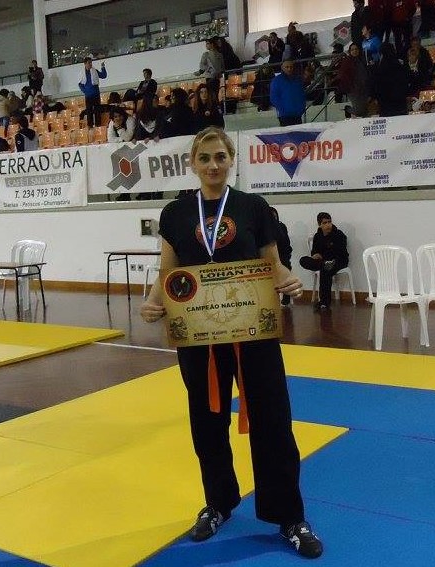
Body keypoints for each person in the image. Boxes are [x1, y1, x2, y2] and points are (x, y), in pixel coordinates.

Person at [140, 127, 323, 560]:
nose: (213, 165)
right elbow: (168, 270)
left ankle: (289, 516)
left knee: (273, 420)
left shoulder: (253, 207)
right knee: (207, 423)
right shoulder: (175, 213)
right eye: (204, 158)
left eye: (220, 157)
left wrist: (289, 281)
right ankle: (218, 503)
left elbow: (272, 264)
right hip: (199, 338)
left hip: (254, 333)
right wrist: (153, 301)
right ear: (193, 163)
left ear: (231, 160)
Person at [299, 212, 349, 311]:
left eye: (329, 222)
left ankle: (324, 303)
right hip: (323, 261)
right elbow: (314, 252)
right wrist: (315, 255)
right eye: (325, 223)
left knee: (325, 270)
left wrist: (326, 257)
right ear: (320, 224)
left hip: (338, 261)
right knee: (303, 260)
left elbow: (340, 252)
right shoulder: (318, 236)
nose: (328, 225)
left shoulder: (339, 234)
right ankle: (324, 264)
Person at [336, 43, 369, 118]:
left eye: (356, 49)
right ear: (350, 51)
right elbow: (343, 75)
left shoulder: (362, 60)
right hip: (352, 89)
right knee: (359, 110)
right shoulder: (347, 61)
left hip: (363, 88)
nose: (354, 51)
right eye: (352, 50)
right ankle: (348, 109)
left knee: (364, 109)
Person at [269, 59, 306, 126]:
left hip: (297, 115)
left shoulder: (298, 80)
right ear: (282, 67)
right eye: (287, 67)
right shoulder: (276, 81)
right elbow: (274, 98)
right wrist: (283, 109)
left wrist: (301, 109)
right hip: (285, 116)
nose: (289, 69)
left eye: (291, 67)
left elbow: (302, 95)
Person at [270, 207, 293, 306]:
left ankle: (286, 299)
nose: (273, 219)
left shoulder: (281, 227)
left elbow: (286, 244)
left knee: (286, 267)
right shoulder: (262, 228)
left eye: (275, 217)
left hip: (282, 255)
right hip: (268, 257)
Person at [78, 57, 107, 127]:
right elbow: (80, 84)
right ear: (85, 64)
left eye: (91, 62)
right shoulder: (82, 73)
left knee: (97, 111)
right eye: (89, 63)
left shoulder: (95, 71)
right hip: (88, 96)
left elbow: (103, 76)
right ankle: (90, 126)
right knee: (89, 111)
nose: (90, 64)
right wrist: (85, 91)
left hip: (96, 94)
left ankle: (98, 126)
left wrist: (103, 67)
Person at [194, 40, 224, 105]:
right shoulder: (219, 55)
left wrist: (203, 71)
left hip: (213, 78)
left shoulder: (207, 54)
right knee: (213, 94)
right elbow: (222, 68)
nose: (206, 45)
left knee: (212, 94)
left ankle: (213, 105)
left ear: (212, 44)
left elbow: (202, 66)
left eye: (207, 43)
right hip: (215, 78)